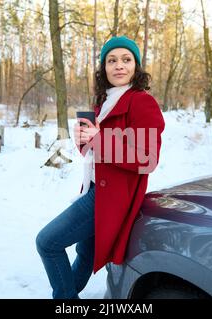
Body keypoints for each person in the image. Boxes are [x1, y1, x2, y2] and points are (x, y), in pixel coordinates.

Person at [36, 36, 165, 299]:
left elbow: (147, 159)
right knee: (86, 254)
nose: (119, 66)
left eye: (126, 60)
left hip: (111, 198)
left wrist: (98, 139)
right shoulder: (105, 101)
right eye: (112, 60)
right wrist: (83, 140)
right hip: (95, 188)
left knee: (47, 243)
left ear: (136, 66)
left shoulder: (141, 102)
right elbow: (98, 155)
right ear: (104, 68)